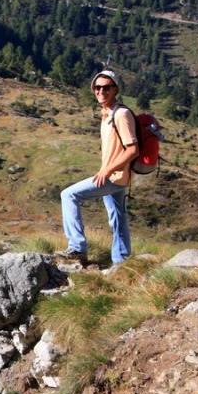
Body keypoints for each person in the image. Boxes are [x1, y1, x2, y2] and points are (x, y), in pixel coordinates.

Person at [56, 70, 139, 266]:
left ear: (115, 89)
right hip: (117, 176)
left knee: (68, 195)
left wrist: (107, 170)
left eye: (106, 87)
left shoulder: (121, 114)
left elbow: (133, 150)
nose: (101, 91)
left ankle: (77, 248)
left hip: (113, 176)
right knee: (118, 216)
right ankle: (122, 261)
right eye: (97, 87)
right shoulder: (108, 113)